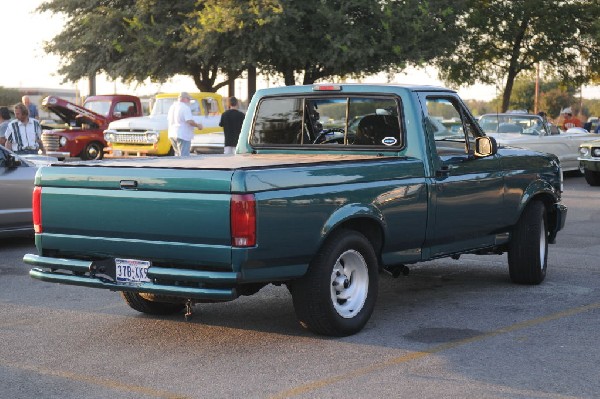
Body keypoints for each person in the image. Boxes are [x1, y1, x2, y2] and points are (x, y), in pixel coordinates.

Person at [167, 92, 202, 157]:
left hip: (172, 134)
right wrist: (198, 125)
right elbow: (189, 121)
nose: (189, 101)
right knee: (184, 157)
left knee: (178, 156)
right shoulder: (185, 107)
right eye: (188, 99)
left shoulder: (172, 107)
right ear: (184, 99)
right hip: (183, 135)